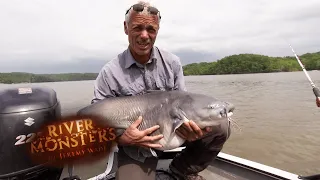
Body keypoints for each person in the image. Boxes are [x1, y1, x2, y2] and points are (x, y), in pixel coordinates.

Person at [91, 1, 231, 180]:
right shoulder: (110, 73)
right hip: (136, 148)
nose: (144, 35)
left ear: (157, 30)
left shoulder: (172, 63)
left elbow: (185, 103)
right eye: (137, 28)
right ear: (126, 28)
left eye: (151, 29)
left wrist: (191, 128)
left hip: (173, 133)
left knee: (220, 126)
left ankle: (181, 169)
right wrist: (123, 139)